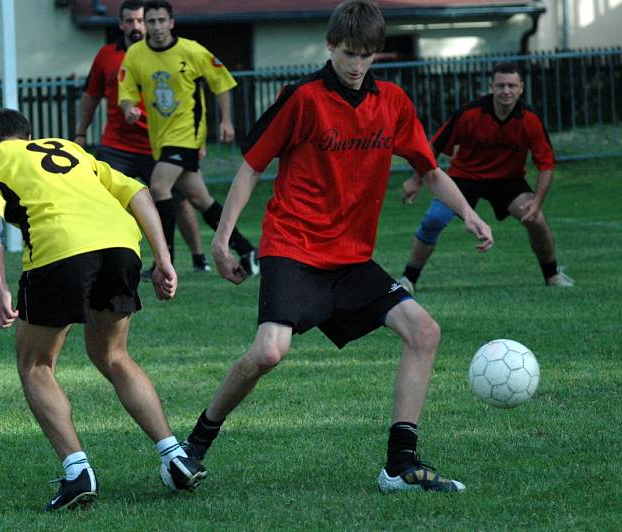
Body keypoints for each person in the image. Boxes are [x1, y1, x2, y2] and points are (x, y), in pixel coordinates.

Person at [181, 0, 494, 494]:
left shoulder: (391, 102)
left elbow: (430, 169)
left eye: (367, 55)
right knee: (268, 353)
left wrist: (469, 213)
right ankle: (196, 442)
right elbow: (252, 167)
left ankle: (400, 465)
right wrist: (223, 239)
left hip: (350, 259)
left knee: (423, 331)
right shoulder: (302, 97)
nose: (356, 65)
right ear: (330, 46)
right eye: (349, 53)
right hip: (294, 247)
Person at [0, 109, 206, 512]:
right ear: (29, 135)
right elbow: (138, 193)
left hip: (60, 250)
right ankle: (175, 455)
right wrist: (164, 259)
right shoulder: (71, 149)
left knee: (35, 364)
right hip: (121, 245)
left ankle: (77, 472)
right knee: (114, 355)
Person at [397, 62, 574, 293]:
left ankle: (552, 275)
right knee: (434, 220)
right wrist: (416, 180)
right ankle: (408, 279)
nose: (506, 91)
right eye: (500, 85)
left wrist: (537, 202)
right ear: (491, 87)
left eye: (512, 85)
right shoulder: (470, 113)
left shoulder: (530, 119)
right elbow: (434, 146)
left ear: (521, 88)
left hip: (508, 181)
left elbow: (546, 164)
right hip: (465, 176)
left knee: (536, 219)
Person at [118, 0, 259, 278]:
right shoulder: (135, 54)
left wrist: (227, 120)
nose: (156, 27)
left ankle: (164, 260)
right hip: (160, 139)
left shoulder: (191, 51)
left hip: (187, 136)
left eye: (161, 21)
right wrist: (129, 109)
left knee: (158, 187)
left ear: (172, 23)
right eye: (151, 21)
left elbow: (222, 83)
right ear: (144, 24)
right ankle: (246, 247)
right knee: (200, 198)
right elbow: (126, 92)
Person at [74, 0, 210, 274]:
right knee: (99, 198)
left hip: (157, 144)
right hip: (116, 146)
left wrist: (199, 142)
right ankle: (99, 258)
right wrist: (80, 132)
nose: (136, 26)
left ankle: (198, 259)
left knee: (179, 200)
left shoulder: (165, 54)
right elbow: (91, 96)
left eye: (140, 20)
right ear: (120, 24)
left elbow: (193, 99)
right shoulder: (107, 56)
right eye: (130, 21)